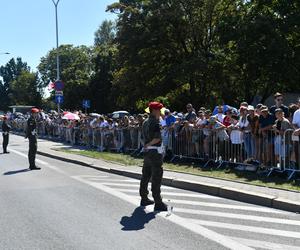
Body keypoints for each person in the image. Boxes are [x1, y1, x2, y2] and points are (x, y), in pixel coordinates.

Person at [139, 101, 168, 211]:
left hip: (147, 152)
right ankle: (158, 202)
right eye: (159, 109)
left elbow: (142, 136)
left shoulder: (145, 121)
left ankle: (144, 198)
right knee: (156, 176)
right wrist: (149, 144)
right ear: (155, 110)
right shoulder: (155, 122)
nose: (160, 111)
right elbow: (157, 138)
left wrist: (146, 145)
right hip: (154, 152)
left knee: (145, 175)